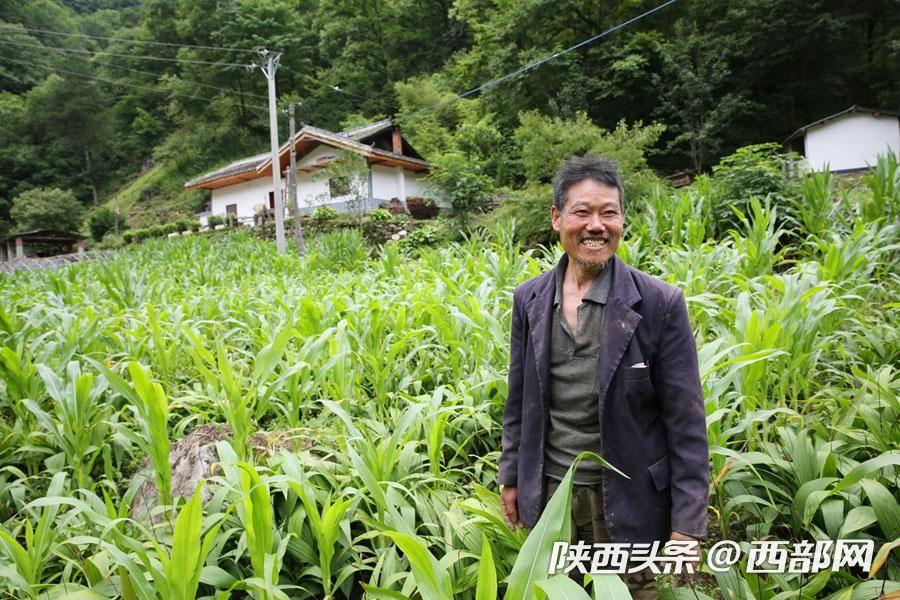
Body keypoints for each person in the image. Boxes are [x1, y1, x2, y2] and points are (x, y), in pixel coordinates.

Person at [498, 155, 709, 597]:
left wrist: (688, 524)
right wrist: (511, 477)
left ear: (622, 220)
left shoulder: (658, 304)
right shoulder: (529, 299)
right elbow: (519, 401)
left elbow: (686, 422)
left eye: (608, 213)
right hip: (553, 496)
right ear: (557, 219)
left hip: (632, 499)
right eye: (582, 212)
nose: (597, 225)